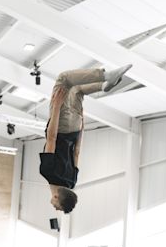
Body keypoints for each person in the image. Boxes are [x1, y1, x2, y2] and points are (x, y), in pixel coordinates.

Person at [40, 65, 132, 214]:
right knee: (64, 78)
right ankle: (105, 76)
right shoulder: (48, 172)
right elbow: (51, 138)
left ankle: (104, 86)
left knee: (77, 90)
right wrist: (56, 107)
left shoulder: (72, 181)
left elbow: (77, 152)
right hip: (61, 126)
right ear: (56, 197)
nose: (55, 208)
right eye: (58, 207)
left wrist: (82, 126)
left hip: (76, 128)